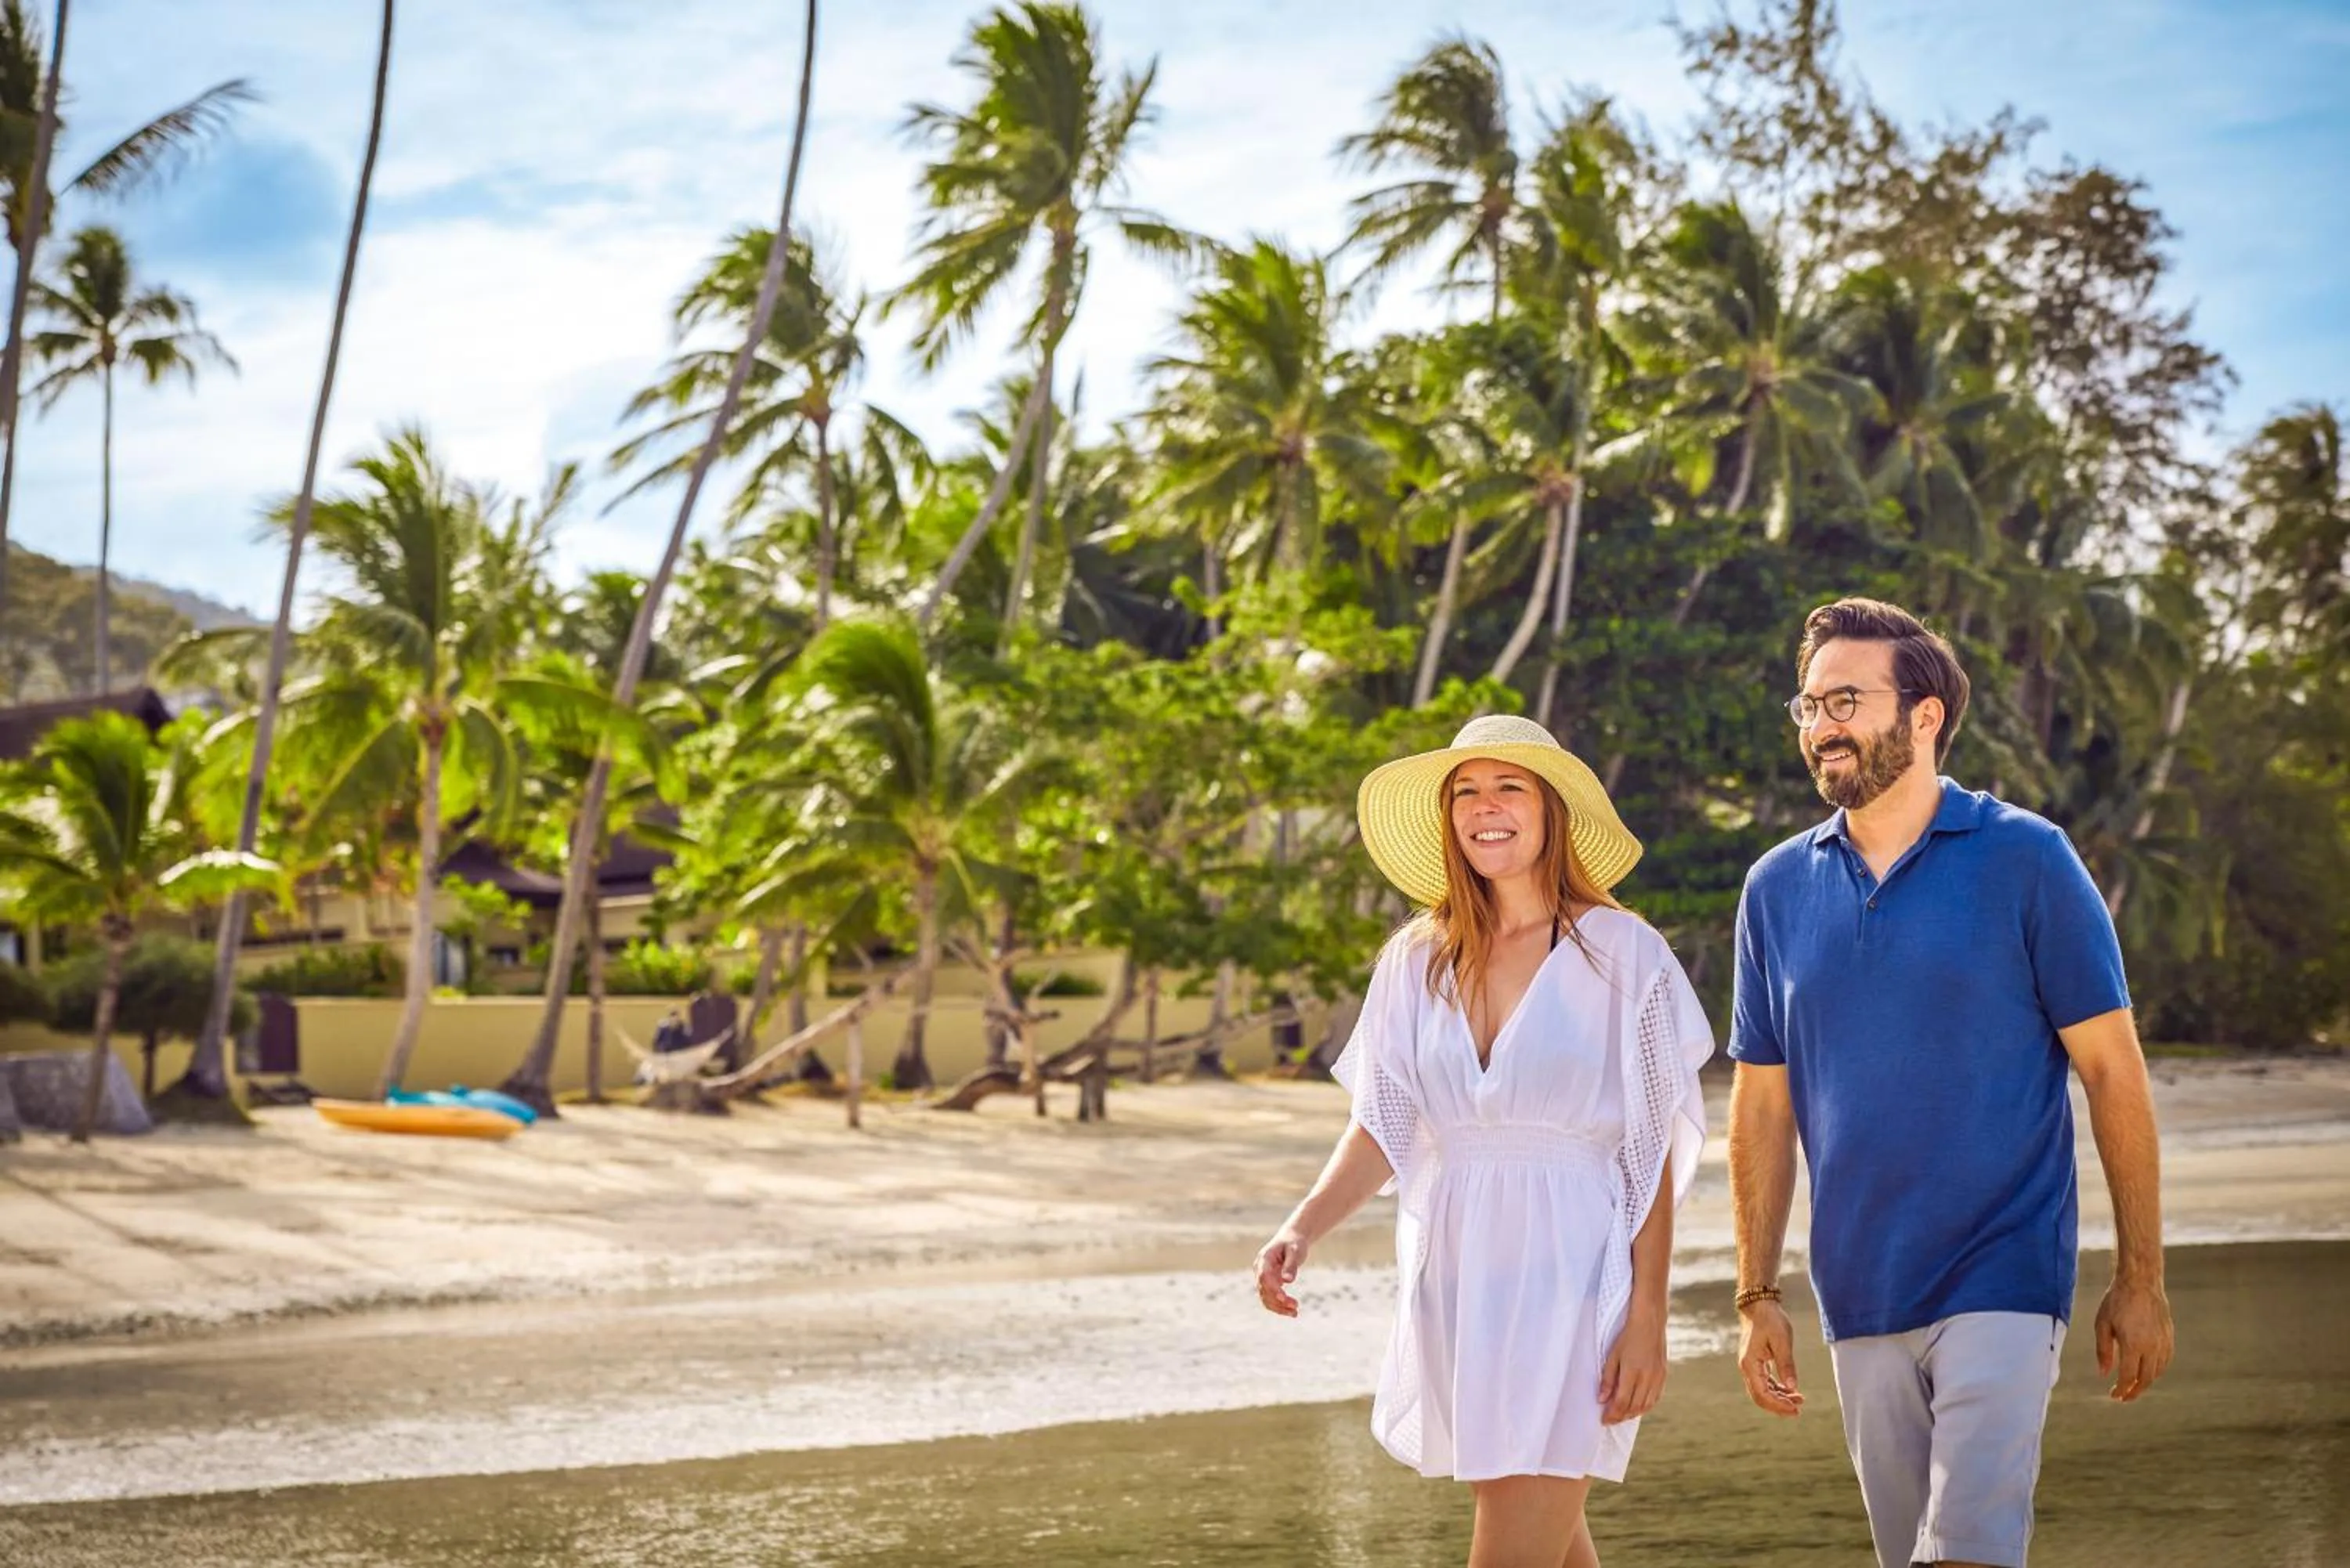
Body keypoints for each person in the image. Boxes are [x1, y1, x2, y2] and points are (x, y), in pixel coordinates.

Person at [1727, 598, 2174, 1568]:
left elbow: (2112, 1070)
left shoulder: (2029, 858)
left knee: (1966, 1548)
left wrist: (2141, 1276)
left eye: (1846, 700)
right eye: (1809, 705)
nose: (1822, 725)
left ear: (1924, 715)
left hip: (2004, 1274)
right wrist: (1756, 1292)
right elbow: (1762, 1104)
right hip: (1858, 1289)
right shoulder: (1774, 889)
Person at [1253, 714, 1713, 1568]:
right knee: (1541, 1537)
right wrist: (1301, 1227)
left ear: (1550, 812)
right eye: (1465, 791)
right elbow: (1385, 1123)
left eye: (1509, 788)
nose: (1484, 807)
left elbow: (1649, 1152)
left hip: (1575, 1271)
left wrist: (1648, 1314)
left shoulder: (1625, 954)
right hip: (1459, 1278)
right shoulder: (1415, 959)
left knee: (1511, 1541)